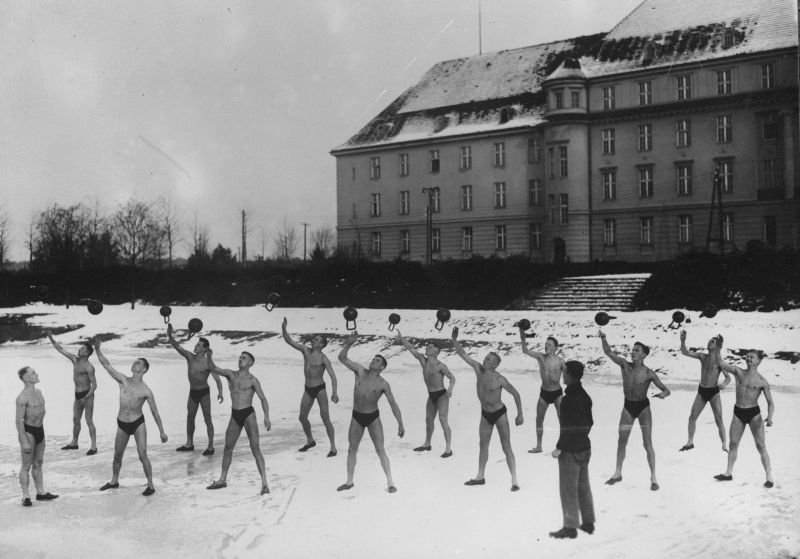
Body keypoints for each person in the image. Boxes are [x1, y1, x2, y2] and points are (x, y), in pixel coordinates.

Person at [93, 338, 169, 496]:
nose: (135, 364)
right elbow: (107, 366)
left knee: (143, 455)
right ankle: (114, 481)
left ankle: (150, 484)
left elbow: (155, 411)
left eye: (138, 363)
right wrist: (98, 350)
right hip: (122, 423)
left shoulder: (146, 390)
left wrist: (162, 431)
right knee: (117, 455)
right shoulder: (123, 381)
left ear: (144, 369)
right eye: (135, 362)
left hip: (137, 423)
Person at [452, 327, 523, 491]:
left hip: (499, 414)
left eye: (489, 359)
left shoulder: (499, 379)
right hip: (485, 414)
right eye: (485, 358)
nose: (485, 360)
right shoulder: (478, 369)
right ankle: (480, 476)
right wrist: (455, 340)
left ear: (495, 364)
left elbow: (516, 394)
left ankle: (514, 479)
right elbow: (463, 354)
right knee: (483, 445)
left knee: (506, 446)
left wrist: (520, 414)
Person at [599, 330, 670, 491]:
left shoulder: (648, 373)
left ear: (644, 355)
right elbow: (608, 352)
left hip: (643, 408)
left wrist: (663, 394)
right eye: (633, 349)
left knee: (647, 443)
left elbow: (667, 390)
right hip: (628, 407)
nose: (633, 352)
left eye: (637, 350)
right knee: (621, 440)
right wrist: (604, 338)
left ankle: (653, 477)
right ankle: (617, 473)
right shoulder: (624, 365)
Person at [336, 332, 405, 493]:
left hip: (373, 418)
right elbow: (342, 358)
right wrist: (349, 343)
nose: (373, 361)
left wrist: (400, 423)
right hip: (356, 416)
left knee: (380, 449)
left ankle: (390, 482)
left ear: (382, 367)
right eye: (374, 359)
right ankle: (349, 481)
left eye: (377, 361)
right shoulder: (360, 371)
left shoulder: (383, 383)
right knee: (352, 449)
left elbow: (393, 404)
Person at [205, 349, 271, 495]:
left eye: (244, 358)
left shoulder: (253, 380)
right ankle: (222, 480)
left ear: (250, 363)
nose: (240, 359)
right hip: (235, 414)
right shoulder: (231, 374)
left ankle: (264, 483)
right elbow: (213, 368)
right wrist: (209, 356)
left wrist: (266, 416)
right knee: (228, 448)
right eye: (240, 357)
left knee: (255, 448)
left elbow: (263, 398)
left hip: (248, 414)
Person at [713, 349, 775, 487]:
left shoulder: (762, 381)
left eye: (752, 357)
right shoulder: (738, 372)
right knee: (733, 444)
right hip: (738, 412)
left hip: (754, 414)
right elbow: (722, 363)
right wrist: (718, 349)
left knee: (760, 445)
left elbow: (770, 402)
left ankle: (769, 477)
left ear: (758, 361)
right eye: (747, 357)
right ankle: (728, 473)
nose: (748, 359)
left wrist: (770, 417)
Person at [549, 361, 595, 539]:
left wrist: (560, 448)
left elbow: (566, 427)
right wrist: (582, 438)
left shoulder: (567, 400)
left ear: (569, 376)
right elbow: (589, 422)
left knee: (568, 489)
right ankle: (588, 522)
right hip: (585, 446)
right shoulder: (585, 396)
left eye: (564, 372)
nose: (562, 375)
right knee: (584, 486)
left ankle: (570, 527)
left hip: (571, 451)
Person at [281, 318, 339, 456]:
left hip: (320, 389)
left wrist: (334, 393)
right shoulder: (305, 351)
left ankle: (333, 448)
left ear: (321, 345)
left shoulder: (323, 359)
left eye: (317, 339)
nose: (313, 340)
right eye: (314, 338)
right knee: (302, 417)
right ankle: (310, 440)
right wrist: (284, 328)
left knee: (325, 418)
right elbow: (289, 341)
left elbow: (333, 376)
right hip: (308, 389)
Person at [166, 323, 223, 456]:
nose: (195, 346)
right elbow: (177, 346)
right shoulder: (190, 357)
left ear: (204, 349)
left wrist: (220, 392)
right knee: (190, 417)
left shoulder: (208, 363)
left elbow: (218, 379)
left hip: (204, 393)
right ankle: (189, 443)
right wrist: (169, 335)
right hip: (193, 393)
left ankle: (210, 446)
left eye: (198, 345)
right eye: (196, 344)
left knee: (207, 419)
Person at [397, 330, 455, 458]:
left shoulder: (441, 366)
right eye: (427, 347)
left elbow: (452, 378)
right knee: (429, 421)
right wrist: (402, 339)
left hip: (441, 395)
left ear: (436, 351)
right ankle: (427, 444)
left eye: (429, 348)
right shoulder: (423, 361)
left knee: (443, 420)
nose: (426, 349)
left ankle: (448, 448)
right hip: (431, 395)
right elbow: (412, 349)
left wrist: (450, 390)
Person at [46, 331, 98, 455]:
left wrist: (86, 397)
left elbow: (95, 385)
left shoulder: (89, 367)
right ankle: (74, 443)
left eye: (81, 349)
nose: (79, 350)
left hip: (87, 395)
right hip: (77, 395)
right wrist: (51, 338)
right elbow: (60, 349)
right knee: (75, 419)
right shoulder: (75, 360)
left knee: (89, 420)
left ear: (87, 353)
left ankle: (94, 447)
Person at [678, 331, 731, 452]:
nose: (708, 342)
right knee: (692, 417)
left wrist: (722, 385)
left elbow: (728, 378)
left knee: (719, 420)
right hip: (702, 391)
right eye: (709, 341)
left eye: (712, 342)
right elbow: (685, 352)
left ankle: (724, 444)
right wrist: (682, 341)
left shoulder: (719, 361)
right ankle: (690, 442)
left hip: (713, 392)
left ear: (717, 346)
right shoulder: (702, 356)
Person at [15, 366, 58, 506]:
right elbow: (19, 420)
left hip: (40, 430)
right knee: (26, 465)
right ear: (27, 378)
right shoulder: (22, 397)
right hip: (28, 432)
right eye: (33, 373)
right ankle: (25, 496)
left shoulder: (39, 392)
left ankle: (41, 493)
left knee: (38, 463)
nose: (37, 374)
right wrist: (24, 441)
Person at [519, 329, 565, 453]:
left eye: (549, 345)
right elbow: (525, 350)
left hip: (557, 393)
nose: (546, 346)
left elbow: (568, 376)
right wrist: (523, 338)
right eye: (545, 344)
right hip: (544, 393)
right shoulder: (541, 357)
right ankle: (539, 446)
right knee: (539, 419)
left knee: (562, 419)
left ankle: (562, 446)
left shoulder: (560, 361)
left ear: (555, 347)